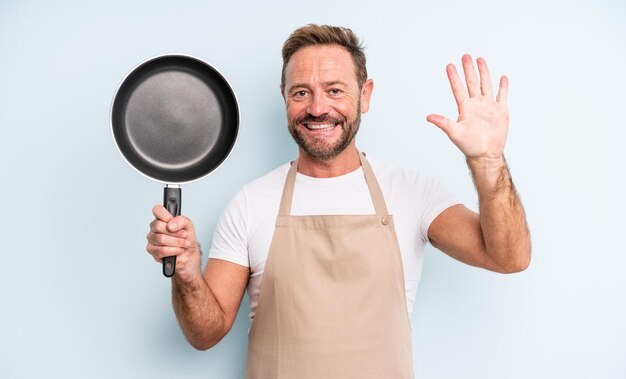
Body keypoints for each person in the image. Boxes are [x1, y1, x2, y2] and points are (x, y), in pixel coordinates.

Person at [146, 24, 531, 378]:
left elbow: (508, 257)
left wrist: (487, 161)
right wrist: (187, 274)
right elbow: (205, 334)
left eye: (334, 90)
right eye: (301, 92)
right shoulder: (250, 203)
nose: (317, 108)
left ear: (365, 96)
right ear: (284, 98)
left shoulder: (412, 191)